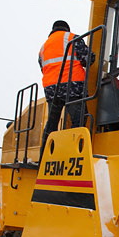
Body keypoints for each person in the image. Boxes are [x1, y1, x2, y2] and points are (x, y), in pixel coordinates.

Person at [38, 20, 94, 159]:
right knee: (78, 120)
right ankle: (72, 154)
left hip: (52, 89)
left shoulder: (43, 47)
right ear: (67, 29)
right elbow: (88, 59)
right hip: (72, 85)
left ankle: (44, 156)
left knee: (52, 124)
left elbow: (43, 68)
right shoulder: (72, 38)